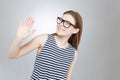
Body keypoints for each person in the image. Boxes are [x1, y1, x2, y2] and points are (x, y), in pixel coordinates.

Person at [8, 10, 83, 80]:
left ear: (75, 30)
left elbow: (67, 78)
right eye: (61, 20)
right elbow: (12, 55)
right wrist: (18, 39)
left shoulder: (73, 53)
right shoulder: (43, 39)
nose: (60, 24)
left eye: (67, 23)